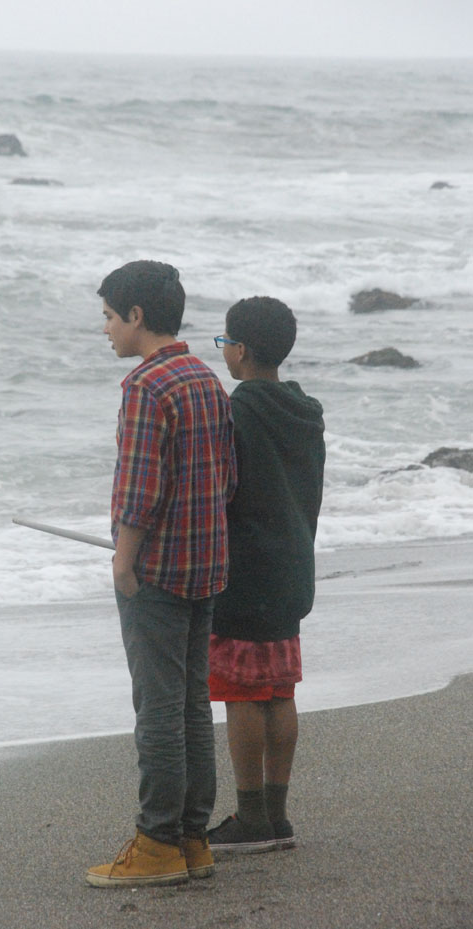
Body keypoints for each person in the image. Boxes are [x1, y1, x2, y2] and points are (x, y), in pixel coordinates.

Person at [86, 260, 237, 888]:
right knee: (192, 707)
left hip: (158, 572)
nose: (105, 329)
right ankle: (192, 838)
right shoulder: (204, 377)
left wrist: (123, 560)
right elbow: (227, 478)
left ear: (137, 315)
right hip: (206, 565)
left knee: (157, 711)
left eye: (109, 317)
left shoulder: (146, 385)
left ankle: (156, 843)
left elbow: (139, 489)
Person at [207, 296, 325, 854]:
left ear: (241, 350)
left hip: (246, 571)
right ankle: (276, 815)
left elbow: (222, 490)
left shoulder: (238, 410)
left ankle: (251, 816)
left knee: (242, 695)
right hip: (293, 565)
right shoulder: (305, 411)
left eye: (225, 342)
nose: (224, 351)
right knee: (279, 691)